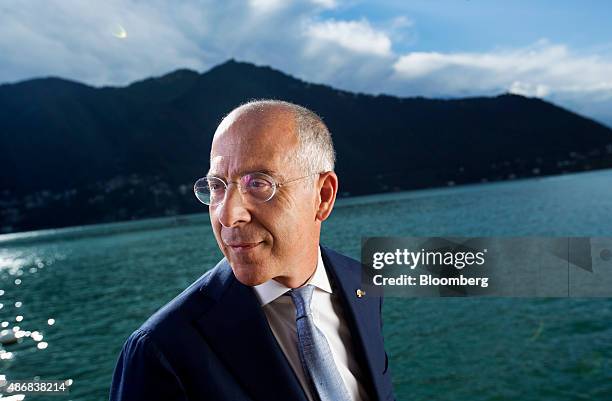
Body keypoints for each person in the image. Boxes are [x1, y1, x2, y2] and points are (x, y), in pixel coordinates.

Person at [109, 100, 395, 401]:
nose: (228, 215)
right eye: (217, 186)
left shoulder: (361, 282)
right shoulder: (159, 349)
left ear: (323, 196)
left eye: (258, 183)